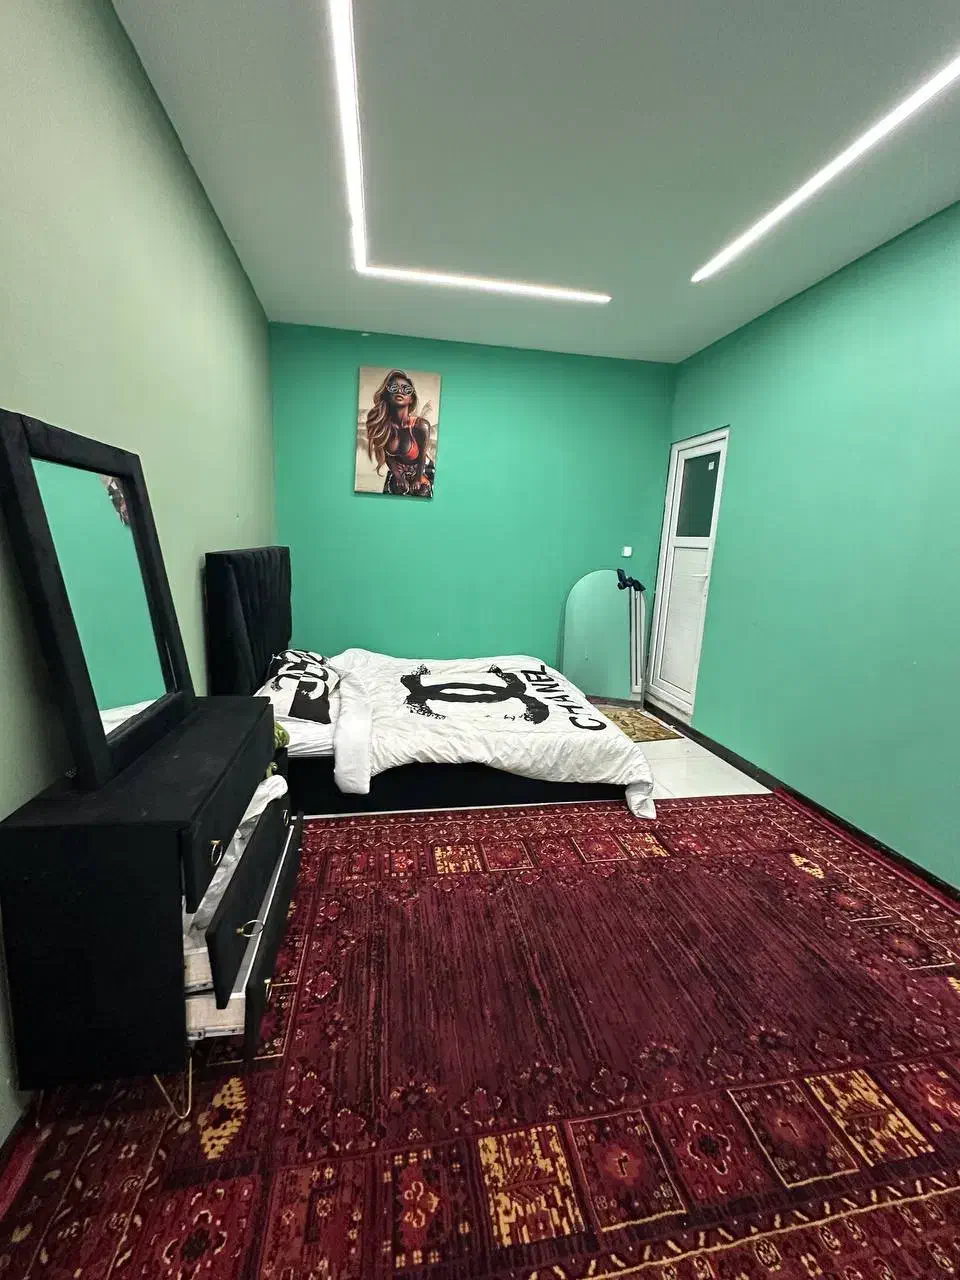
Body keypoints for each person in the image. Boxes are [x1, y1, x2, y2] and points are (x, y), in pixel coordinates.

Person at [364, 369, 435, 497]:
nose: (400, 391)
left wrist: (418, 478)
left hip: (421, 469)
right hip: (396, 471)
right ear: (387, 395)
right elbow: (389, 457)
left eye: (406, 389)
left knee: (422, 492)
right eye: (393, 388)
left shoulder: (421, 426)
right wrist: (398, 476)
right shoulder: (382, 427)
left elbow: (422, 457)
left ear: (411, 399)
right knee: (393, 493)